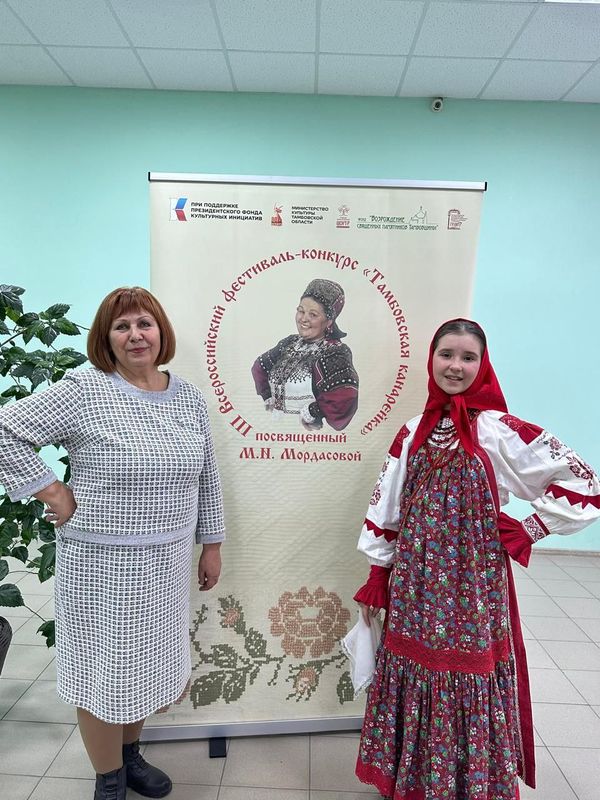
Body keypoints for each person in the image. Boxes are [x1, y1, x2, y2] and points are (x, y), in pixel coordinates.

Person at [353, 318, 600, 800]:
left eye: (468, 357)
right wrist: (378, 574)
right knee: (414, 665)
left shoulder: (499, 431)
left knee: (467, 669)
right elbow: (387, 507)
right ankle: (415, 779)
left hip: (473, 583)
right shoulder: (411, 432)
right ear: (431, 359)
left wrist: (530, 528)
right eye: (446, 354)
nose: (455, 366)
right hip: (416, 579)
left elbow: (585, 483)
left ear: (483, 365)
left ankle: (465, 783)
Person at [0, 287, 225, 800]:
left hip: (167, 563)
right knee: (106, 671)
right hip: (102, 565)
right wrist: (51, 488)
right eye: (121, 327)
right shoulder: (84, 390)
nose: (135, 335)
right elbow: (5, 430)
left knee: (146, 665)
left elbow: (206, 476)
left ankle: (129, 755)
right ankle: (109, 778)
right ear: (106, 338)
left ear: (161, 331)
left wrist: (211, 544)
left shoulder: (188, 397)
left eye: (144, 323)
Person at [251, 278, 359, 430]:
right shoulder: (289, 343)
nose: (303, 319)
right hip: (272, 429)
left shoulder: (335, 352)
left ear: (329, 321)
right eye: (301, 311)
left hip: (309, 436)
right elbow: (259, 367)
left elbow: (343, 400)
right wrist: (267, 396)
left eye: (313, 314)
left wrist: (313, 412)